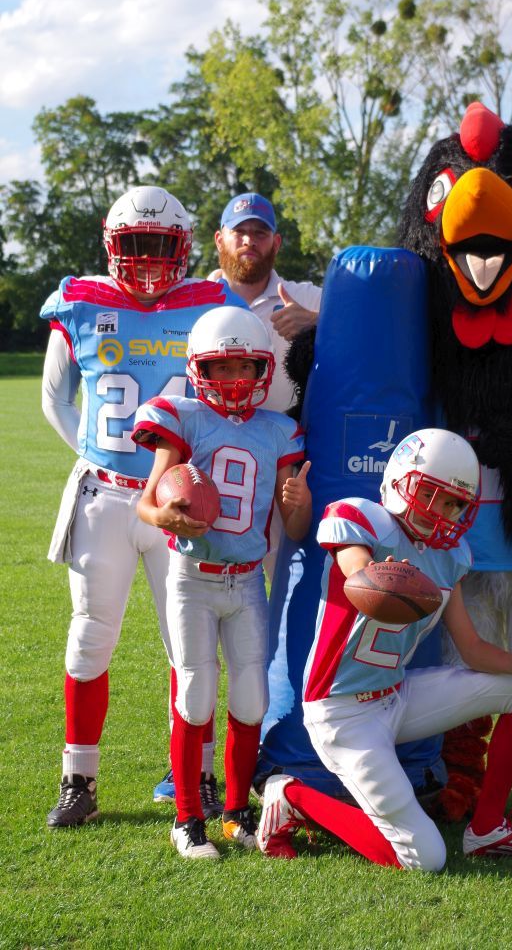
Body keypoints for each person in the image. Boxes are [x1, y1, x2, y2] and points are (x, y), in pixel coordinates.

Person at [255, 429, 512, 870]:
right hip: (343, 714)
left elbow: (473, 648)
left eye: (456, 504)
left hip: (396, 696)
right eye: (434, 495)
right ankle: (291, 796)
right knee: (425, 859)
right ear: (402, 481)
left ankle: (488, 827)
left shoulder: (449, 554)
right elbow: (358, 576)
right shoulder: (363, 521)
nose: (445, 512)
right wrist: (381, 576)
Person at [41, 185, 246, 829]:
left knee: (189, 648)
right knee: (90, 636)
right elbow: (55, 398)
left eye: (162, 245)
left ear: (183, 247)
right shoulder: (79, 299)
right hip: (104, 497)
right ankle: (79, 778)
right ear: (111, 245)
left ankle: (198, 774)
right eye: (137, 246)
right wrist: (102, 458)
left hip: (176, 504)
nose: (151, 259)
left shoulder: (213, 303)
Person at [133, 305, 312, 859]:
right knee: (195, 693)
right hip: (192, 578)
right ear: (197, 370)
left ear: (263, 370)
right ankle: (188, 818)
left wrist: (297, 503)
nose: (235, 381)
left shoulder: (280, 430)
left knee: (252, 697)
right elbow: (147, 503)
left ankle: (235, 811)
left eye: (245, 368)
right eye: (222, 368)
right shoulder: (182, 417)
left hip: (245, 583)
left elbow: (295, 528)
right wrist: (163, 517)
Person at [209, 192, 322, 416]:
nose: (249, 241)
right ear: (219, 241)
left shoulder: (306, 298)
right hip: (205, 445)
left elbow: (367, 329)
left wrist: (315, 321)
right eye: (239, 231)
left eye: (260, 233)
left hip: (283, 446)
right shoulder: (193, 299)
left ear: (276, 243)